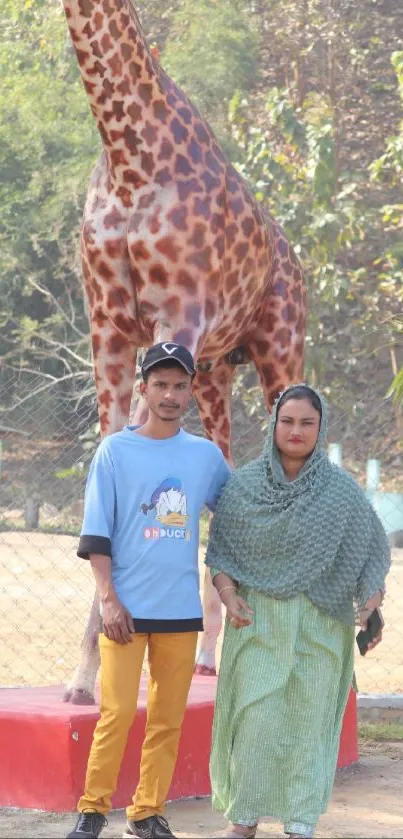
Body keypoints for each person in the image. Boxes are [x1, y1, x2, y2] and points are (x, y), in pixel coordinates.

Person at [205, 384, 390, 839]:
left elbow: (370, 552)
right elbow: (221, 554)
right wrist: (229, 596)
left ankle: (300, 823)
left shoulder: (340, 491)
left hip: (320, 625)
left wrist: (370, 604)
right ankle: (243, 818)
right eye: (288, 421)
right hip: (258, 622)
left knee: (308, 726)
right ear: (274, 424)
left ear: (320, 427)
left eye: (307, 423)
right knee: (255, 720)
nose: (296, 431)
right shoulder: (244, 486)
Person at [67, 342, 231, 839]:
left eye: (180, 385)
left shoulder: (204, 456)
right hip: (126, 611)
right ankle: (92, 810)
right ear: (142, 388)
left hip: (180, 612)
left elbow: (237, 511)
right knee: (115, 713)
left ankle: (146, 813)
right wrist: (108, 600)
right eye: (160, 384)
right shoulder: (115, 451)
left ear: (190, 392)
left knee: (166, 719)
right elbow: (97, 534)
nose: (170, 394)